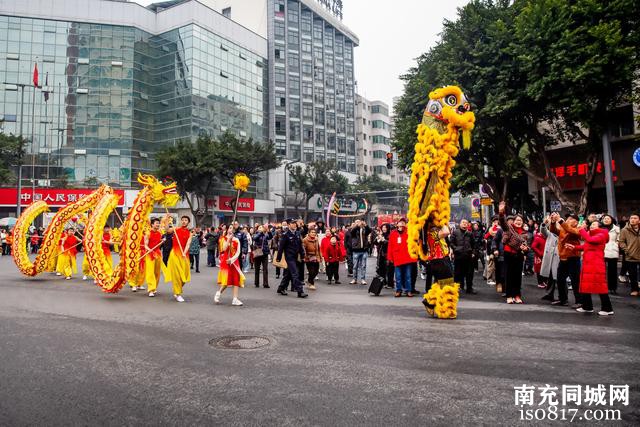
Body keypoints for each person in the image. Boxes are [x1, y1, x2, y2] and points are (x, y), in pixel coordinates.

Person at [569, 220, 614, 315]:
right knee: (585, 286)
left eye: (594, 224)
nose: (592, 226)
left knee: (601, 287)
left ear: (600, 227)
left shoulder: (601, 235)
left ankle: (607, 309)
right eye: (591, 224)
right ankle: (587, 307)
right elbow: (586, 246)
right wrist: (574, 247)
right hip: (588, 264)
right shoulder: (592, 235)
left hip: (596, 265)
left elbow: (590, 240)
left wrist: (581, 230)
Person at [549, 212, 583, 307]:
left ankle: (579, 301)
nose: (567, 220)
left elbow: (572, 231)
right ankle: (563, 300)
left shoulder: (579, 228)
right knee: (560, 279)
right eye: (567, 218)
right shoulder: (563, 228)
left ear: (576, 222)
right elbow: (553, 230)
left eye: (570, 219)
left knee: (575, 280)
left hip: (573, 257)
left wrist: (560, 220)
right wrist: (552, 222)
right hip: (563, 257)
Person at [498, 202, 529, 304]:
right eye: (517, 220)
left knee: (517, 276)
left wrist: (525, 249)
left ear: (523, 222)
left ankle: (517, 295)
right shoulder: (508, 228)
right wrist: (501, 212)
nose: (518, 222)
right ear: (513, 221)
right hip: (508, 255)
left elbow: (527, 246)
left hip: (519, 256)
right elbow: (502, 222)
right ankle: (509, 295)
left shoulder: (525, 234)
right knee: (509, 275)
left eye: (520, 220)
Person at [276, 219, 308, 298]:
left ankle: (281, 288)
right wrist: (278, 258)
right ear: (288, 225)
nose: (294, 225)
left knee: (288, 274)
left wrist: (303, 255)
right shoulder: (285, 234)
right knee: (295, 273)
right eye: (292, 223)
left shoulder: (297, 233)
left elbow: (300, 246)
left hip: (296, 256)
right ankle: (300, 291)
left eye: (295, 223)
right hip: (289, 257)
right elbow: (281, 247)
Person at [165, 216, 193, 302]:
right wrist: (167, 220)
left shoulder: (190, 233)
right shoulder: (176, 229)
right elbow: (167, 230)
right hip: (175, 254)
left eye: (186, 220)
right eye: (183, 220)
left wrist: (184, 252)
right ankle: (178, 294)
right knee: (177, 275)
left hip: (184, 255)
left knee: (184, 276)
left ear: (188, 222)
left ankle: (177, 289)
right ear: (181, 221)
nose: (184, 221)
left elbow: (188, 244)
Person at [387, 218, 417, 297]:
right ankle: (398, 290)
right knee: (398, 276)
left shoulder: (409, 232)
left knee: (408, 276)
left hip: (407, 257)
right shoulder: (393, 233)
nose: (401, 224)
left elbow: (414, 242)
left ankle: (408, 290)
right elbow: (390, 246)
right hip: (397, 258)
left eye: (403, 223)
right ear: (397, 224)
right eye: (400, 223)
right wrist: (390, 258)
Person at [214, 229, 245, 306]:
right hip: (225, 262)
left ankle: (235, 299)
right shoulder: (223, 238)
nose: (231, 229)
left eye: (232, 227)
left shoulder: (237, 239)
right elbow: (223, 249)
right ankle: (218, 293)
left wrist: (232, 260)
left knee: (236, 280)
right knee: (225, 281)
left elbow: (238, 252)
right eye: (230, 227)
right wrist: (228, 239)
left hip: (234, 262)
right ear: (227, 230)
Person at [449, 219, 476, 294]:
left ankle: (469, 288)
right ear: (460, 224)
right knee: (458, 273)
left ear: (468, 225)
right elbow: (451, 243)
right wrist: (456, 249)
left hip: (468, 256)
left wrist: (473, 252)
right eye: (463, 223)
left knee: (469, 273)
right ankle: (458, 287)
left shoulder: (470, 234)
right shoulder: (455, 232)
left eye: (466, 223)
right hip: (458, 256)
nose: (465, 224)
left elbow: (474, 244)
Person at [618, 213, 640, 296]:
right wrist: (627, 250)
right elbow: (621, 242)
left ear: (639, 220)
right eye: (631, 218)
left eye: (635, 218)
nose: (633, 220)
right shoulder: (625, 230)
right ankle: (634, 290)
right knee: (632, 274)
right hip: (630, 255)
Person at [539, 216, 560, 302]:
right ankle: (549, 294)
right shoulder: (550, 233)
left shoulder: (564, 232)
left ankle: (562, 297)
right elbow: (543, 230)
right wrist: (544, 224)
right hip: (550, 258)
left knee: (559, 278)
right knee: (551, 276)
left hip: (559, 257)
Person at [145, 217, 166, 297]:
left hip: (157, 253)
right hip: (150, 254)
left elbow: (158, 245)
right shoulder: (148, 233)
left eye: (158, 223)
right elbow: (146, 245)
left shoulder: (159, 233)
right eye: (156, 223)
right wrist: (149, 250)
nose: (158, 224)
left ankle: (154, 288)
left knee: (157, 272)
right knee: (150, 272)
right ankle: (151, 289)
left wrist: (162, 241)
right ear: (152, 224)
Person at [601, 214, 620, 294]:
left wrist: (616, 245)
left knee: (613, 270)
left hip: (612, 250)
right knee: (601, 271)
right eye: (605, 218)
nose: (606, 220)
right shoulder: (600, 228)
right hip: (601, 250)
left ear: (611, 220)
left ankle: (613, 287)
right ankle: (602, 287)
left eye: (608, 218)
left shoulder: (616, 229)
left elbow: (619, 239)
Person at [349, 219, 372, 285]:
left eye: (359, 222)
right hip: (356, 251)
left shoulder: (364, 230)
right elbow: (352, 232)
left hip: (364, 250)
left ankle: (363, 279)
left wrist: (365, 224)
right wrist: (357, 226)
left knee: (363, 266)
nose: (359, 223)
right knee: (355, 266)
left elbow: (370, 231)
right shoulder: (354, 230)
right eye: (357, 222)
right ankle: (354, 279)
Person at [374, 224, 395, 289]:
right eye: (382, 227)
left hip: (388, 255)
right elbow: (375, 243)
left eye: (385, 227)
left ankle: (390, 284)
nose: (384, 229)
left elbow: (391, 243)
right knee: (381, 269)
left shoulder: (391, 235)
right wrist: (377, 239)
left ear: (388, 228)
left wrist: (384, 240)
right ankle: (383, 282)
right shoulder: (381, 235)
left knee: (390, 270)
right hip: (381, 255)